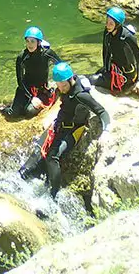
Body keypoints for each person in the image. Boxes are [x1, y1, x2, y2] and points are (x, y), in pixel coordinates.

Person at [20, 62, 109, 197]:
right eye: (59, 85)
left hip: (74, 130)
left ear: (71, 79)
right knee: (38, 149)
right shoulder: (65, 86)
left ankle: (53, 194)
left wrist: (106, 130)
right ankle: (20, 176)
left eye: (64, 85)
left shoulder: (81, 95)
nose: (61, 88)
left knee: (52, 157)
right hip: (59, 124)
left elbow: (102, 112)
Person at [4, 26, 61, 118]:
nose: (30, 44)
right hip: (25, 89)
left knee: (29, 112)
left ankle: (26, 105)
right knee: (13, 114)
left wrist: (65, 82)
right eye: (27, 41)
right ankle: (3, 108)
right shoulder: (22, 57)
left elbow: (61, 65)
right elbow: (20, 81)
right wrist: (31, 97)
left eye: (33, 41)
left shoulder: (47, 53)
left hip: (41, 89)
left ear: (39, 42)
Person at [87, 7, 139, 93]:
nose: (108, 26)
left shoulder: (127, 37)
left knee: (92, 80)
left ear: (117, 24)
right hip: (113, 67)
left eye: (111, 24)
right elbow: (105, 51)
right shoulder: (107, 33)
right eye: (107, 22)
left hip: (126, 75)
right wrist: (106, 70)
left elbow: (138, 57)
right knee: (92, 76)